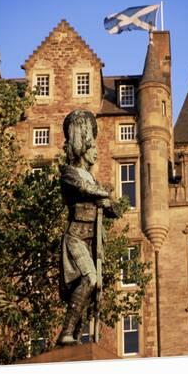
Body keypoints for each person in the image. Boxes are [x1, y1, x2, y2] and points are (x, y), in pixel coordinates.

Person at [57, 109, 120, 346]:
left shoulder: (95, 180)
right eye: (92, 142)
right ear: (82, 142)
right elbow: (84, 188)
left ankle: (73, 337)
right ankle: (66, 332)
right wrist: (103, 195)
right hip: (76, 237)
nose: (96, 148)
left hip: (93, 242)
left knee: (91, 291)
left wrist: (107, 201)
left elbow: (114, 210)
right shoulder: (69, 173)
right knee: (89, 279)